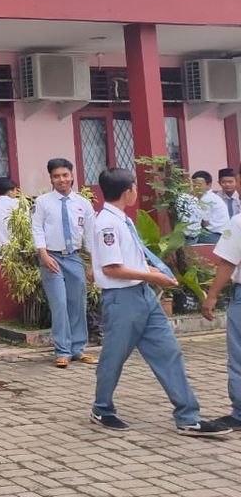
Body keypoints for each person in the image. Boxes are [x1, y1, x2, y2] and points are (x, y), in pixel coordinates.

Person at [88, 167, 231, 437]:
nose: (136, 192)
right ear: (127, 191)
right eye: (134, 187)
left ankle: (188, 417)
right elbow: (111, 269)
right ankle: (102, 408)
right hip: (122, 300)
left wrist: (153, 273)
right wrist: (156, 279)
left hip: (143, 295)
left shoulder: (122, 220)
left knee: (168, 352)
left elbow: (129, 261)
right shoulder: (108, 223)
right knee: (113, 358)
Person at [31, 158, 96, 368]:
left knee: (77, 304)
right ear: (50, 178)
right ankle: (62, 351)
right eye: (56, 176)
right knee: (59, 304)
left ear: (72, 175)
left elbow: (90, 235)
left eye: (65, 175)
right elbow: (37, 229)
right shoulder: (43, 202)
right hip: (52, 257)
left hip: (74, 257)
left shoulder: (83, 203)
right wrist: (44, 255)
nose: (62, 180)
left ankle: (78, 349)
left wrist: (93, 264)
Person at [199, 210, 241, 429]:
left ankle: (240, 414)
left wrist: (212, 295)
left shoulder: (239, 221)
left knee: (239, 355)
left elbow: (227, 262)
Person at [189, 170, 229, 244]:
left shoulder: (207, 198)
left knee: (188, 235)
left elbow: (205, 223)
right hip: (219, 234)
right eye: (194, 185)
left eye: (199, 184)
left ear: (209, 185)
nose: (196, 187)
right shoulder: (208, 196)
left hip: (217, 236)